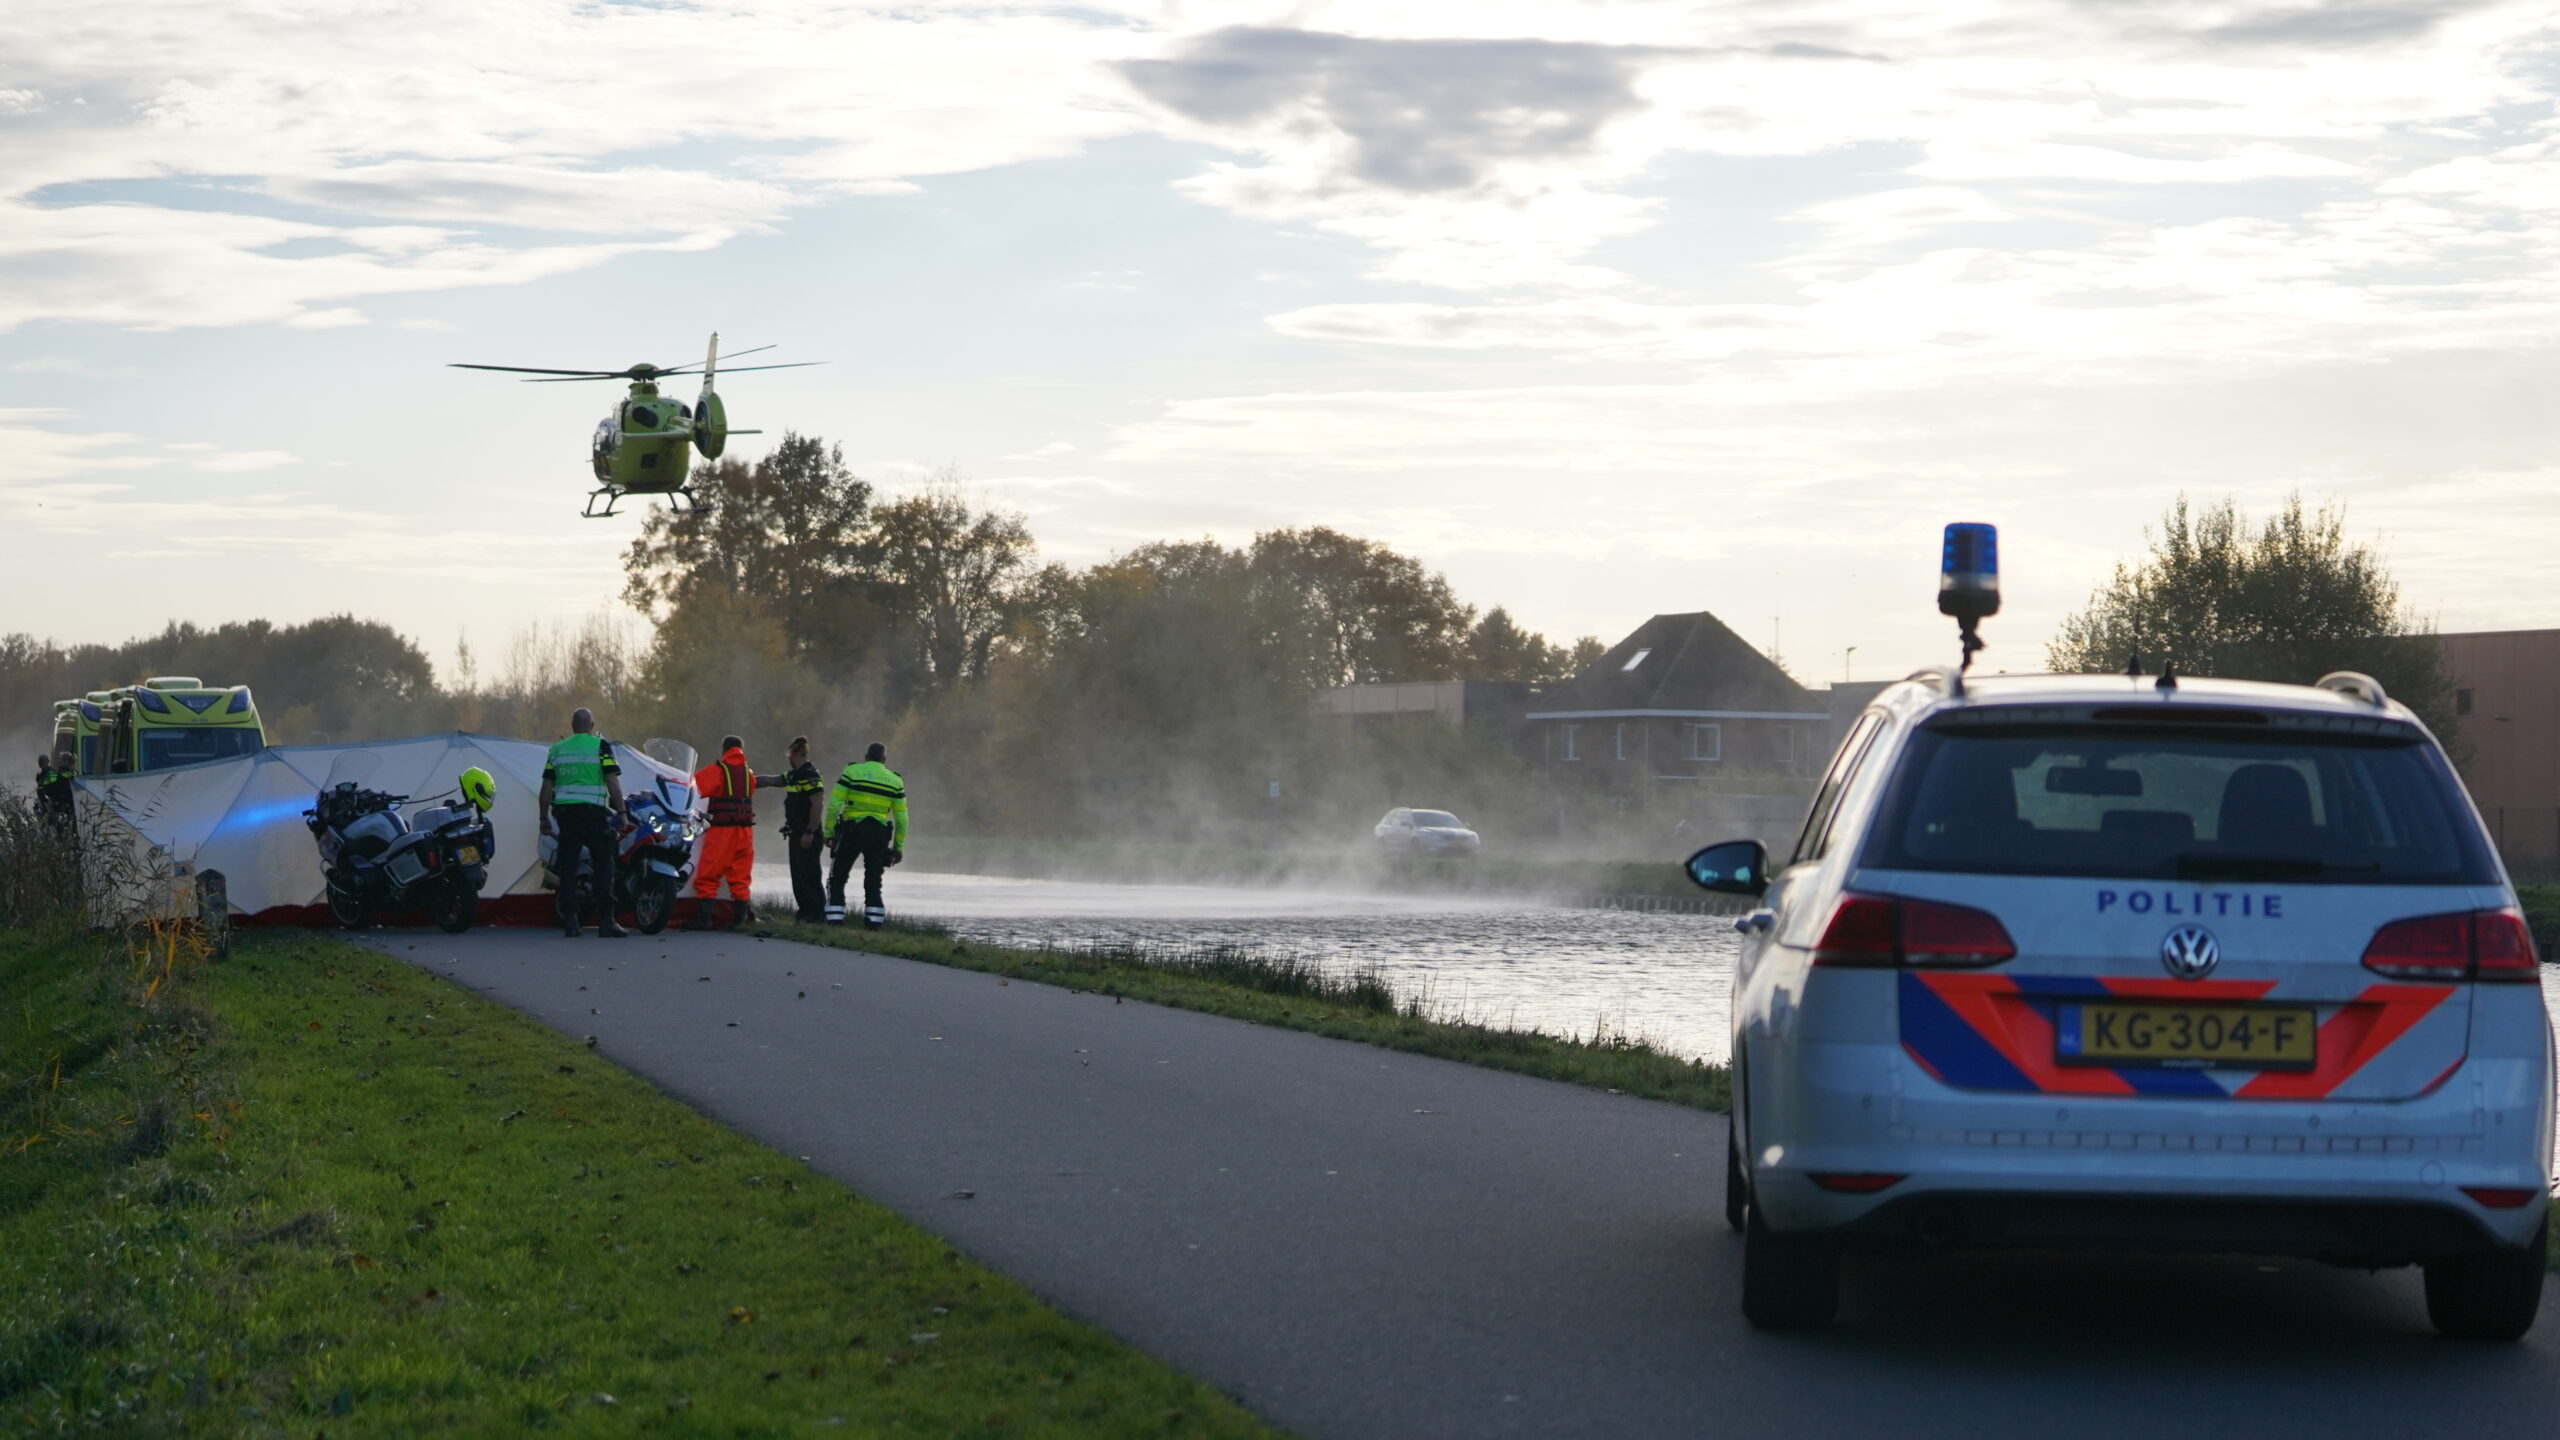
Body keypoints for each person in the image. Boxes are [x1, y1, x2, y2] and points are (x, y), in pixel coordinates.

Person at [540, 708, 628, 938]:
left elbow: (547, 787)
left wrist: (543, 819)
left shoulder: (557, 750)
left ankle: (571, 921)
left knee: (568, 867)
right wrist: (621, 811)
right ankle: (607, 921)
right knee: (603, 865)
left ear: (572, 725)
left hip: (566, 815)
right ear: (592, 724)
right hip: (593, 814)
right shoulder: (600, 746)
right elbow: (612, 780)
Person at [688, 735, 782, 930]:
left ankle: (703, 920)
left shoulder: (717, 770)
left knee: (709, 875)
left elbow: (693, 786)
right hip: (745, 832)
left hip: (722, 832)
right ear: (741, 749)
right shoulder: (748, 773)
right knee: (740, 878)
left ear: (724, 750)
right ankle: (739, 921)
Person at [825, 741, 907, 928]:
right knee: (873, 880)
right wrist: (898, 847)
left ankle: (835, 920)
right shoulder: (895, 781)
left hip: (852, 830)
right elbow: (902, 818)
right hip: (879, 834)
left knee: (838, 876)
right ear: (884, 759)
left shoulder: (852, 772)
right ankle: (873, 923)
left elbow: (834, 804)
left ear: (866, 757)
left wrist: (828, 832)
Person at [779, 736, 827, 923]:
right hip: (796, 832)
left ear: (794, 754)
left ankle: (816, 914)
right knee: (798, 876)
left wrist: (810, 832)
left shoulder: (810, 775)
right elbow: (774, 780)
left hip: (807, 833)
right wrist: (748, 778)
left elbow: (817, 804)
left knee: (810, 875)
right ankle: (804, 913)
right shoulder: (793, 775)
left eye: (789, 755)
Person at [35, 751, 74, 832]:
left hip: (61, 807)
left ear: (65, 761)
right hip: (67, 807)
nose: (58, 762)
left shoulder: (57, 774)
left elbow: (44, 784)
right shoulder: (73, 774)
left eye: (60, 760)